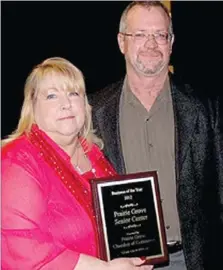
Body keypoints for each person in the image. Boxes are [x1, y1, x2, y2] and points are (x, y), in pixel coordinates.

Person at [89, 1, 223, 270]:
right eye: (140, 35)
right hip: (123, 264)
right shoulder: (93, 112)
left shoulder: (206, 107)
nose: (151, 44)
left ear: (171, 42)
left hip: (191, 260)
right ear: (121, 42)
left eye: (159, 35)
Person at [1, 57, 154, 270]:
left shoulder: (95, 155)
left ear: (85, 104)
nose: (66, 104)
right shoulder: (17, 160)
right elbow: (23, 248)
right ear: (32, 108)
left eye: (74, 93)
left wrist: (137, 257)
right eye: (52, 96)